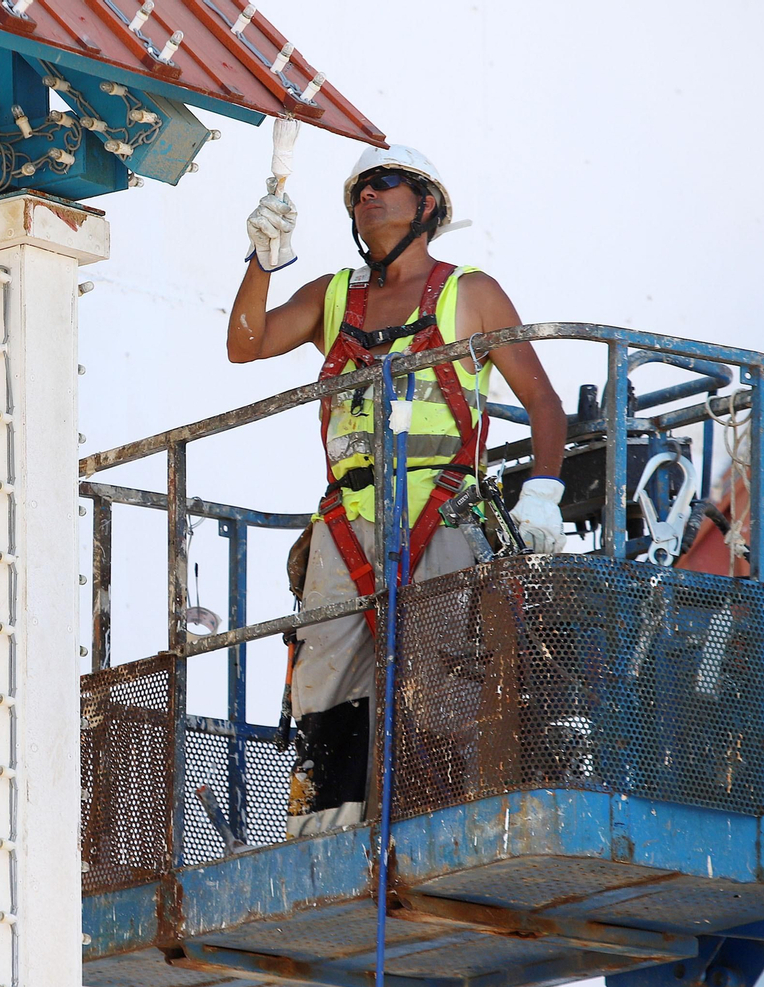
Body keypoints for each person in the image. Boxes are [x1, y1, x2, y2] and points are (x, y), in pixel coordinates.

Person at [225, 144, 569, 837]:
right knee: (325, 680)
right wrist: (261, 261)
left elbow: (544, 400)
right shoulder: (333, 296)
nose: (368, 197)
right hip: (345, 524)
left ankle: (438, 823)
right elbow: (246, 343)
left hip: (438, 518)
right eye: (359, 191)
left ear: (428, 206)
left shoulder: (468, 293)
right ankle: (326, 833)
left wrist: (543, 491)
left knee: (441, 679)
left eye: (386, 184)